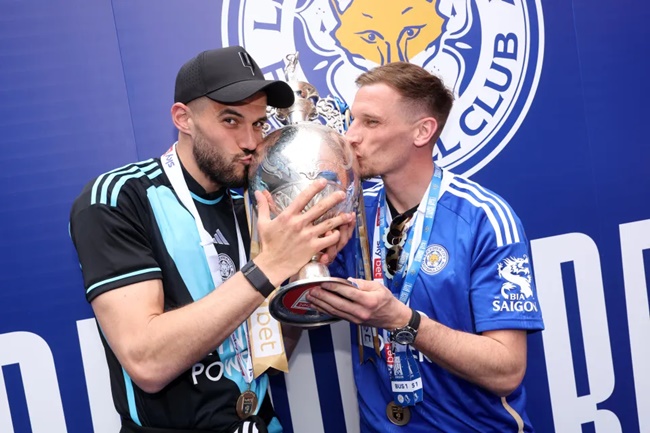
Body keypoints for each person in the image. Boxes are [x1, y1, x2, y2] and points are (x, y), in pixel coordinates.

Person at [69, 46, 354, 433]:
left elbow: (268, 354)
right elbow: (147, 363)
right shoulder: (119, 197)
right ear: (183, 118)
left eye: (258, 124)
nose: (252, 142)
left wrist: (301, 278)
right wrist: (269, 266)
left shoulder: (257, 200)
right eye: (231, 120)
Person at [307, 62, 544, 432]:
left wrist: (404, 321)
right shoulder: (352, 210)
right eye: (352, 120)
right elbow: (301, 298)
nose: (350, 137)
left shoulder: (483, 218)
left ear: (422, 131)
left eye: (370, 122)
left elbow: (507, 371)